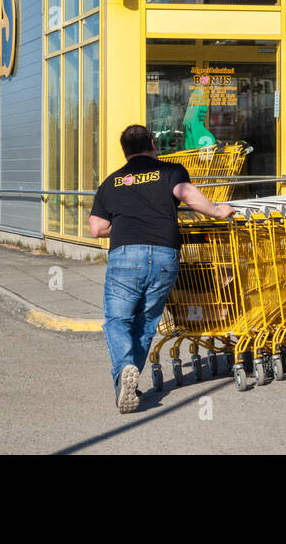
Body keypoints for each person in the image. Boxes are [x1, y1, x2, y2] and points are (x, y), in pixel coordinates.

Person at [88, 123, 235, 413]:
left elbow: (96, 228)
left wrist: (125, 222)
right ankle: (125, 382)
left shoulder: (111, 182)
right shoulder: (170, 171)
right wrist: (218, 210)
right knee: (144, 324)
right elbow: (186, 194)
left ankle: (123, 372)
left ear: (125, 152)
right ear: (153, 144)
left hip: (126, 256)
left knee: (118, 321)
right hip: (166, 256)